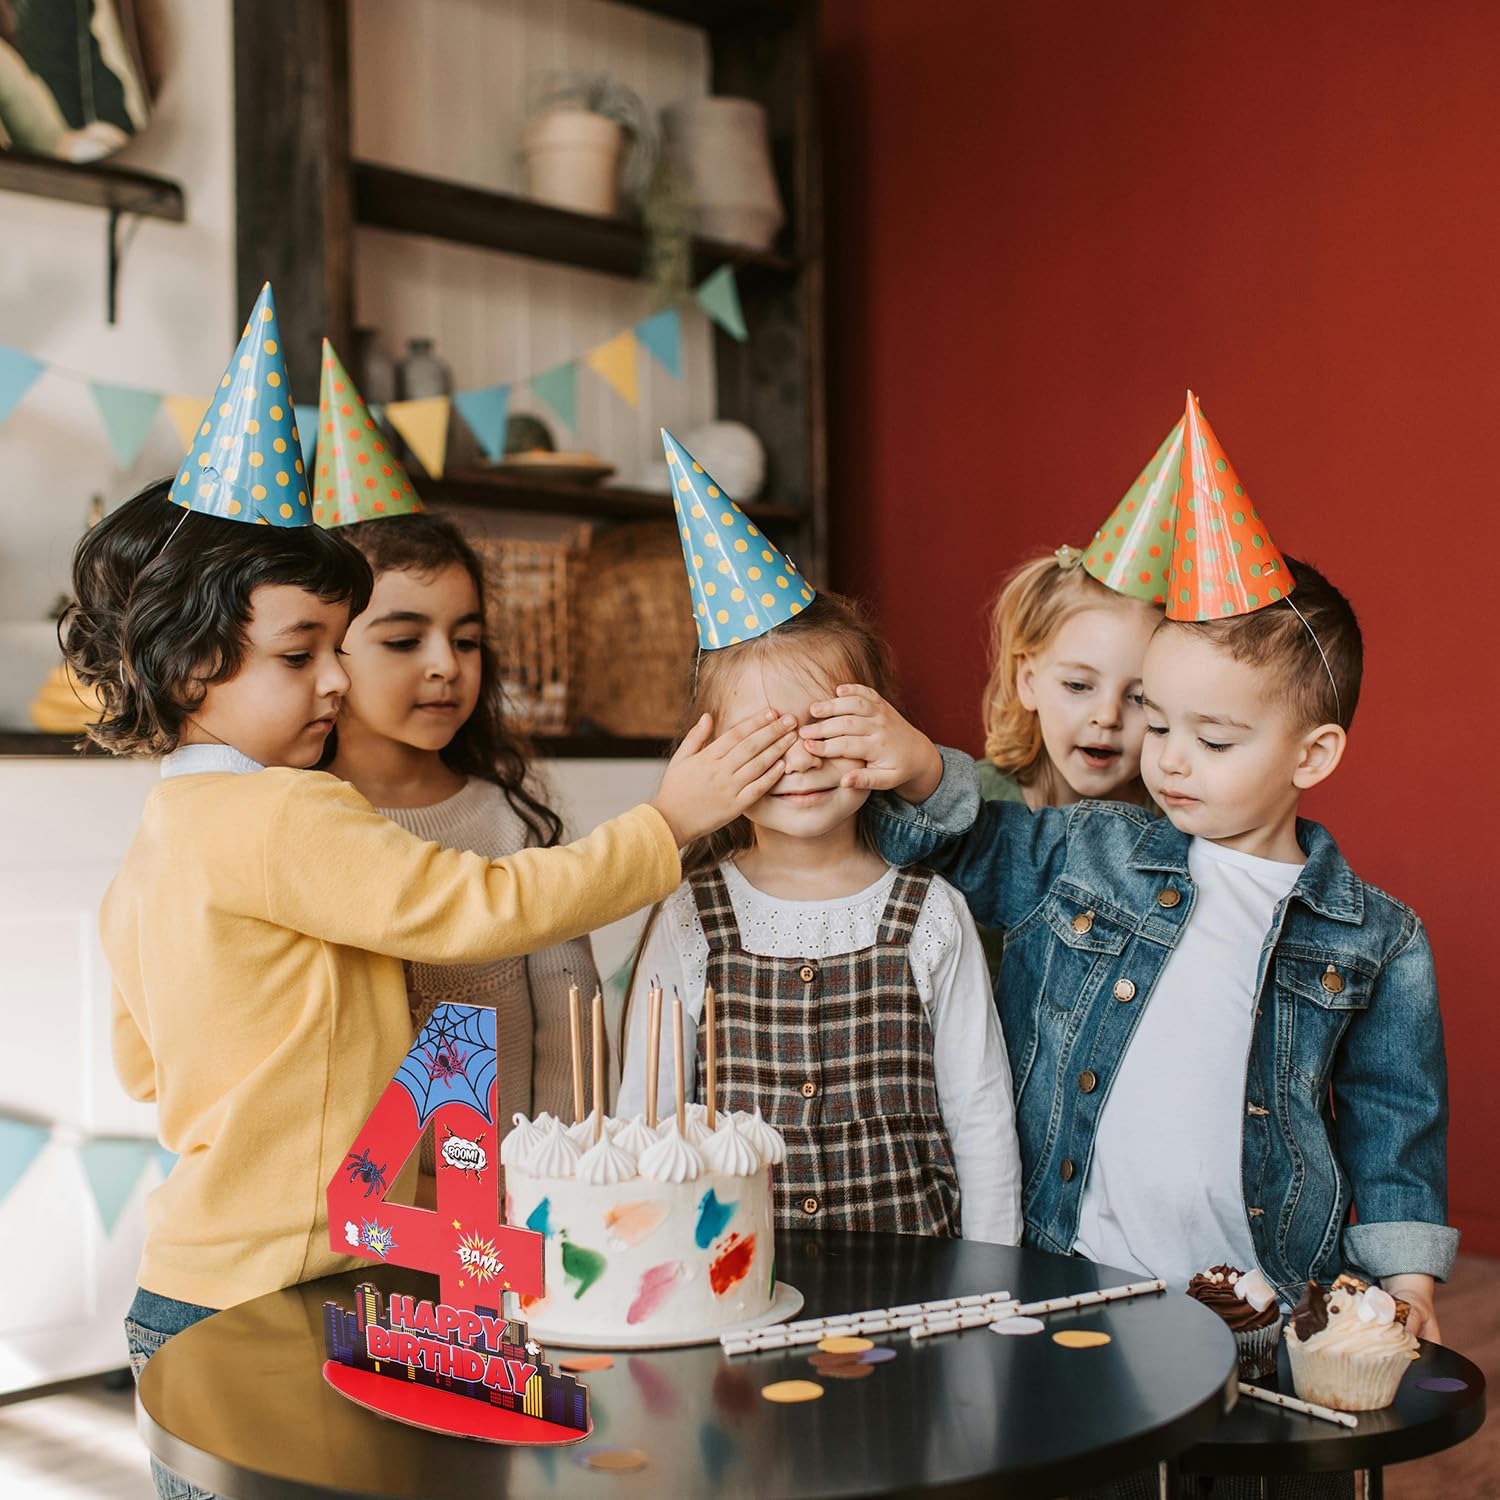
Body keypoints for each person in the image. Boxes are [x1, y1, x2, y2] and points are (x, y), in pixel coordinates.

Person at [64, 294, 799, 1500]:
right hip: (291, 1290)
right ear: (195, 664)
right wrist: (666, 824)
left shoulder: (160, 839)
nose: (328, 685)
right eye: (301, 656)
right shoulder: (290, 814)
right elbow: (476, 907)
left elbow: (145, 1066)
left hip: (187, 1283)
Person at [808, 398, 1455, 1341]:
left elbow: (1395, 1121)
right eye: (1158, 724)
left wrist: (1414, 1282)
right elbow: (965, 842)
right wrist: (915, 762)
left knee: (1249, 1475)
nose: (1169, 759)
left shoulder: (1377, 939)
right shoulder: (1093, 851)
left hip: (1265, 1304)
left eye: (1213, 738)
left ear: (1311, 757)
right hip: (1074, 1270)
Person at [617, 432, 1021, 1245]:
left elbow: (980, 1120)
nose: (799, 759)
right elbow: (647, 1115)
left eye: (825, 726)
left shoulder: (931, 913)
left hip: (919, 1281)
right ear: (704, 752)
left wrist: (992, 1276)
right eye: (763, 740)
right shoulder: (689, 917)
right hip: (734, 1275)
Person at [313, 343, 599, 1197]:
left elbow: (568, 1018)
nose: (446, 665)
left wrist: (556, 1175)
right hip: (357, 1216)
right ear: (325, 651)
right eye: (404, 641)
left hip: (508, 1205)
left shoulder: (514, 819)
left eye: (467, 639)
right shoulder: (302, 820)